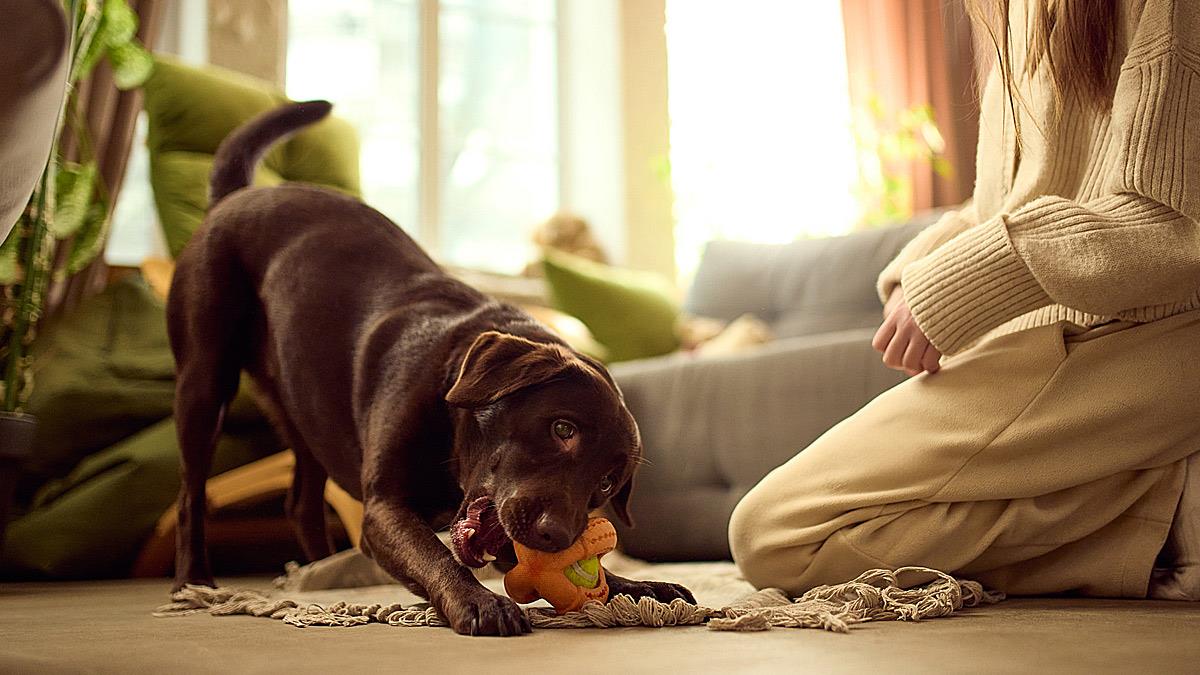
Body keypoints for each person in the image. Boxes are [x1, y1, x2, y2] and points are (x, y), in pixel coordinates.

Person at [729, 0, 1200, 600]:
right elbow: (1006, 199)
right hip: (1045, 338)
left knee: (775, 537)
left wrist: (961, 282)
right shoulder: (1016, 14)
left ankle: (1150, 518)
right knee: (778, 532)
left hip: (1141, 337)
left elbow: (1173, 222)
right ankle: (1149, 511)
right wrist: (917, 272)